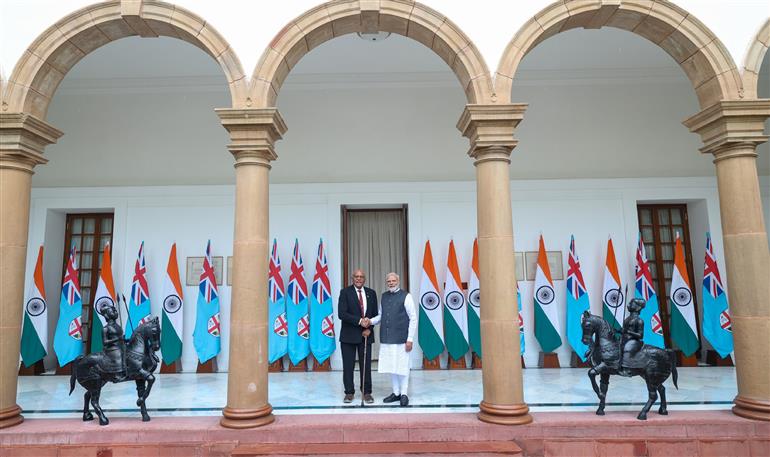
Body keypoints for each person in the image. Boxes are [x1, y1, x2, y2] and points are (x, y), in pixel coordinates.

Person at [367, 272, 417, 406]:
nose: (391, 283)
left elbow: (413, 318)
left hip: (402, 339)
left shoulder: (406, 296)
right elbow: (381, 316)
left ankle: (404, 393)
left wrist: (410, 339)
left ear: (398, 281)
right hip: (387, 338)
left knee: (403, 366)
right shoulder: (383, 296)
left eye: (393, 280)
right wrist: (369, 321)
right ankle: (396, 393)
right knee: (392, 367)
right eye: (389, 281)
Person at [337, 269, 378, 403]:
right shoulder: (345, 293)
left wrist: (369, 328)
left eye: (361, 276)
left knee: (366, 366)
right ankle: (349, 392)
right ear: (352, 278)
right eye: (356, 276)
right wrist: (360, 321)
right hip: (348, 336)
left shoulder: (371, 293)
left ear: (364, 279)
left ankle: (366, 392)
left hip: (365, 335)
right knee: (348, 366)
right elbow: (341, 314)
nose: (359, 279)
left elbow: (375, 314)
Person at [99, 303, 127, 382]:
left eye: (115, 311)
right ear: (107, 315)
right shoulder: (105, 329)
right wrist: (118, 339)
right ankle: (117, 373)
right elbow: (105, 342)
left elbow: (120, 338)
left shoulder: (118, 326)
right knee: (118, 353)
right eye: (113, 311)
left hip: (120, 345)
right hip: (112, 348)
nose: (115, 312)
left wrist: (125, 340)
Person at [620, 298, 646, 376]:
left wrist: (627, 331)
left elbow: (640, 335)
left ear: (638, 307)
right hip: (625, 339)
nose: (629, 305)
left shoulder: (639, 320)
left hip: (634, 341)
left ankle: (627, 369)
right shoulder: (627, 319)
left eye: (632, 303)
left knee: (627, 348)